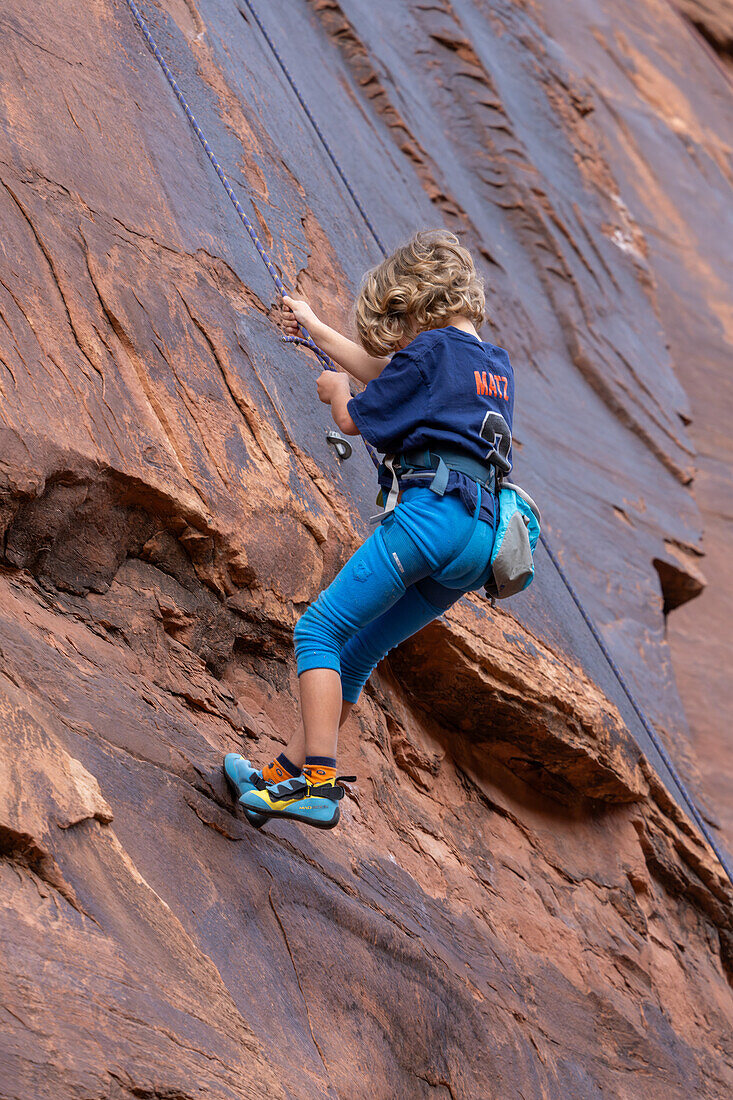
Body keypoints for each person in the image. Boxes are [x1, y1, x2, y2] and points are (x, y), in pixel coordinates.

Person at [224, 229, 515, 830]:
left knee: (318, 630)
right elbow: (385, 368)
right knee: (359, 653)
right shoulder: (490, 363)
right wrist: (311, 324)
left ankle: (319, 787)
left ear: (416, 302)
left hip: (431, 515)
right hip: (482, 539)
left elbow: (357, 415)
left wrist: (337, 392)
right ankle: (283, 779)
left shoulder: (430, 353)